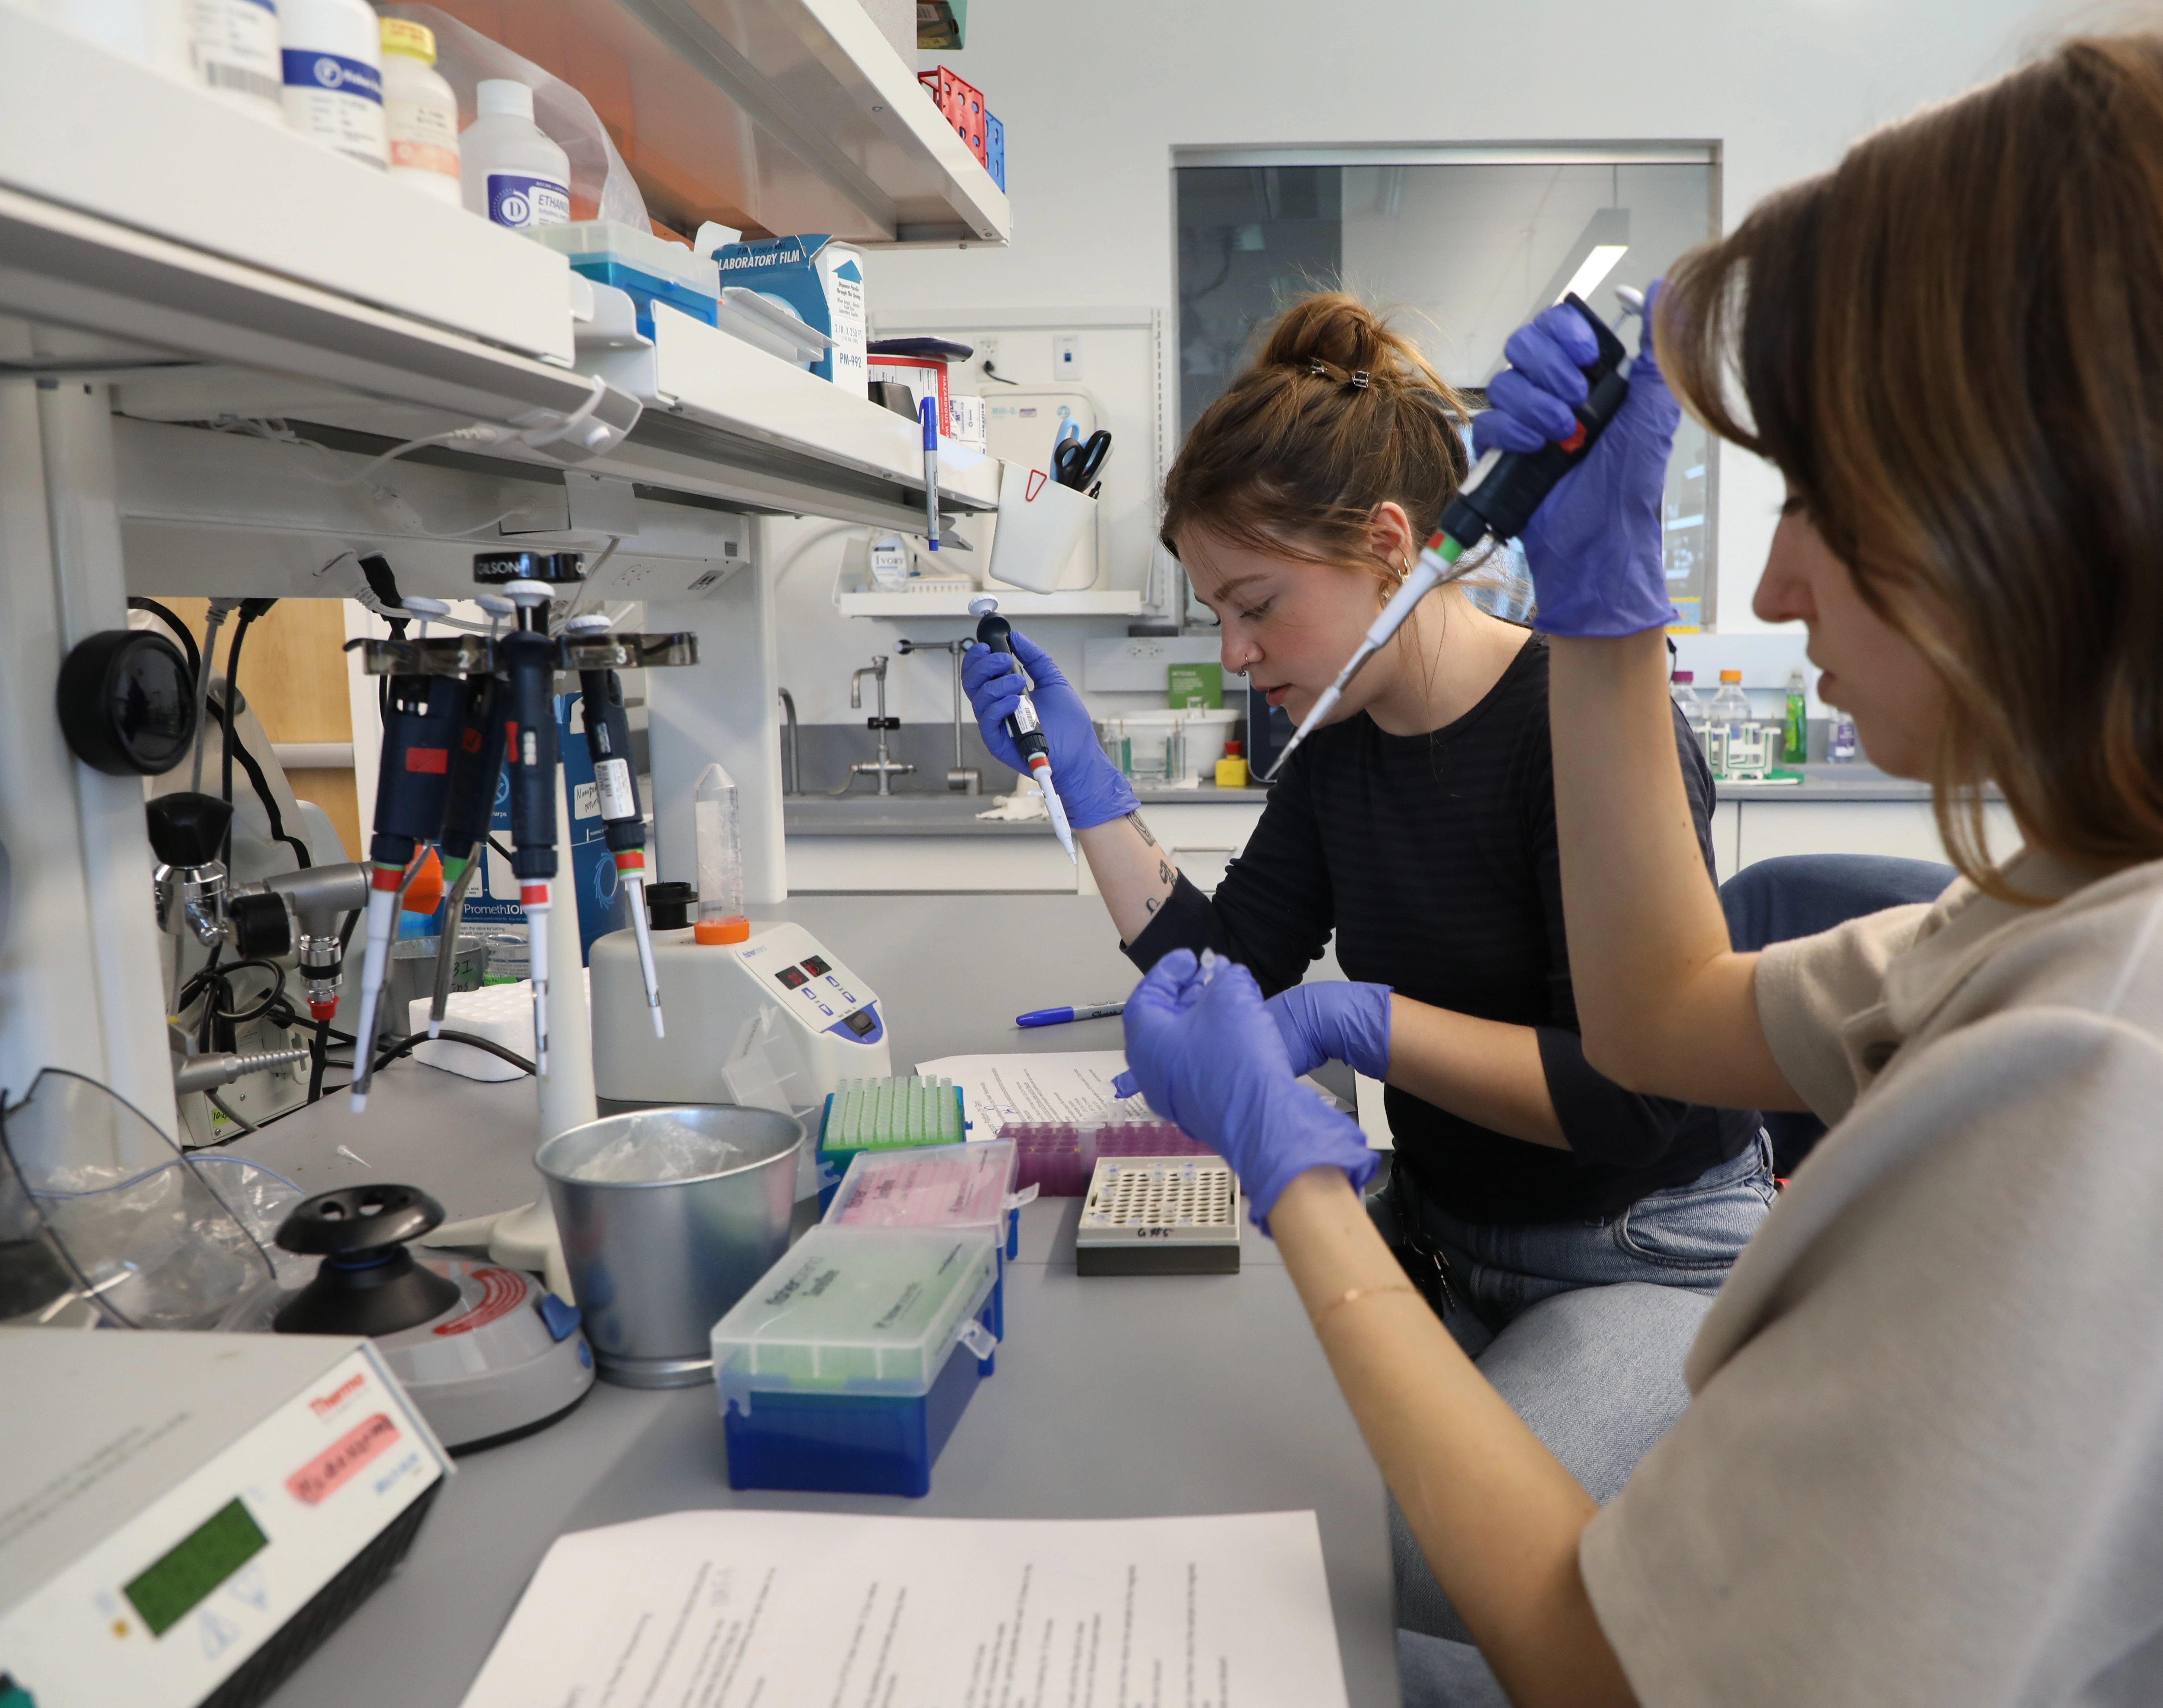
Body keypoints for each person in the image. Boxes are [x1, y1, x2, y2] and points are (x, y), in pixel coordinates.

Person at [1119, 29, 2163, 1706]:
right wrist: (1603, 614)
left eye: (1823, 494)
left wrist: (1299, 1162)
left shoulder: (2104, 1057)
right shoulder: (2035, 918)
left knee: (1331, 1608)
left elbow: (1606, 1664)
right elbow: (1662, 1015)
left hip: (1627, 1271)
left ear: (2055, 489)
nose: (1772, 588)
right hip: (1466, 1242)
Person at [962, 297, 1767, 1391]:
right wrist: (1089, 789)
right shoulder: (1343, 736)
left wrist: (1364, 1021)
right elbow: (1234, 967)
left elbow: (1632, 1101)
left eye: (1256, 606)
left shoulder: (1583, 726)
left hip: (1638, 1249)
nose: (1235, 653)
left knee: (1454, 1511)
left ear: (1389, 549)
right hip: (1444, 1237)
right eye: (1216, 616)